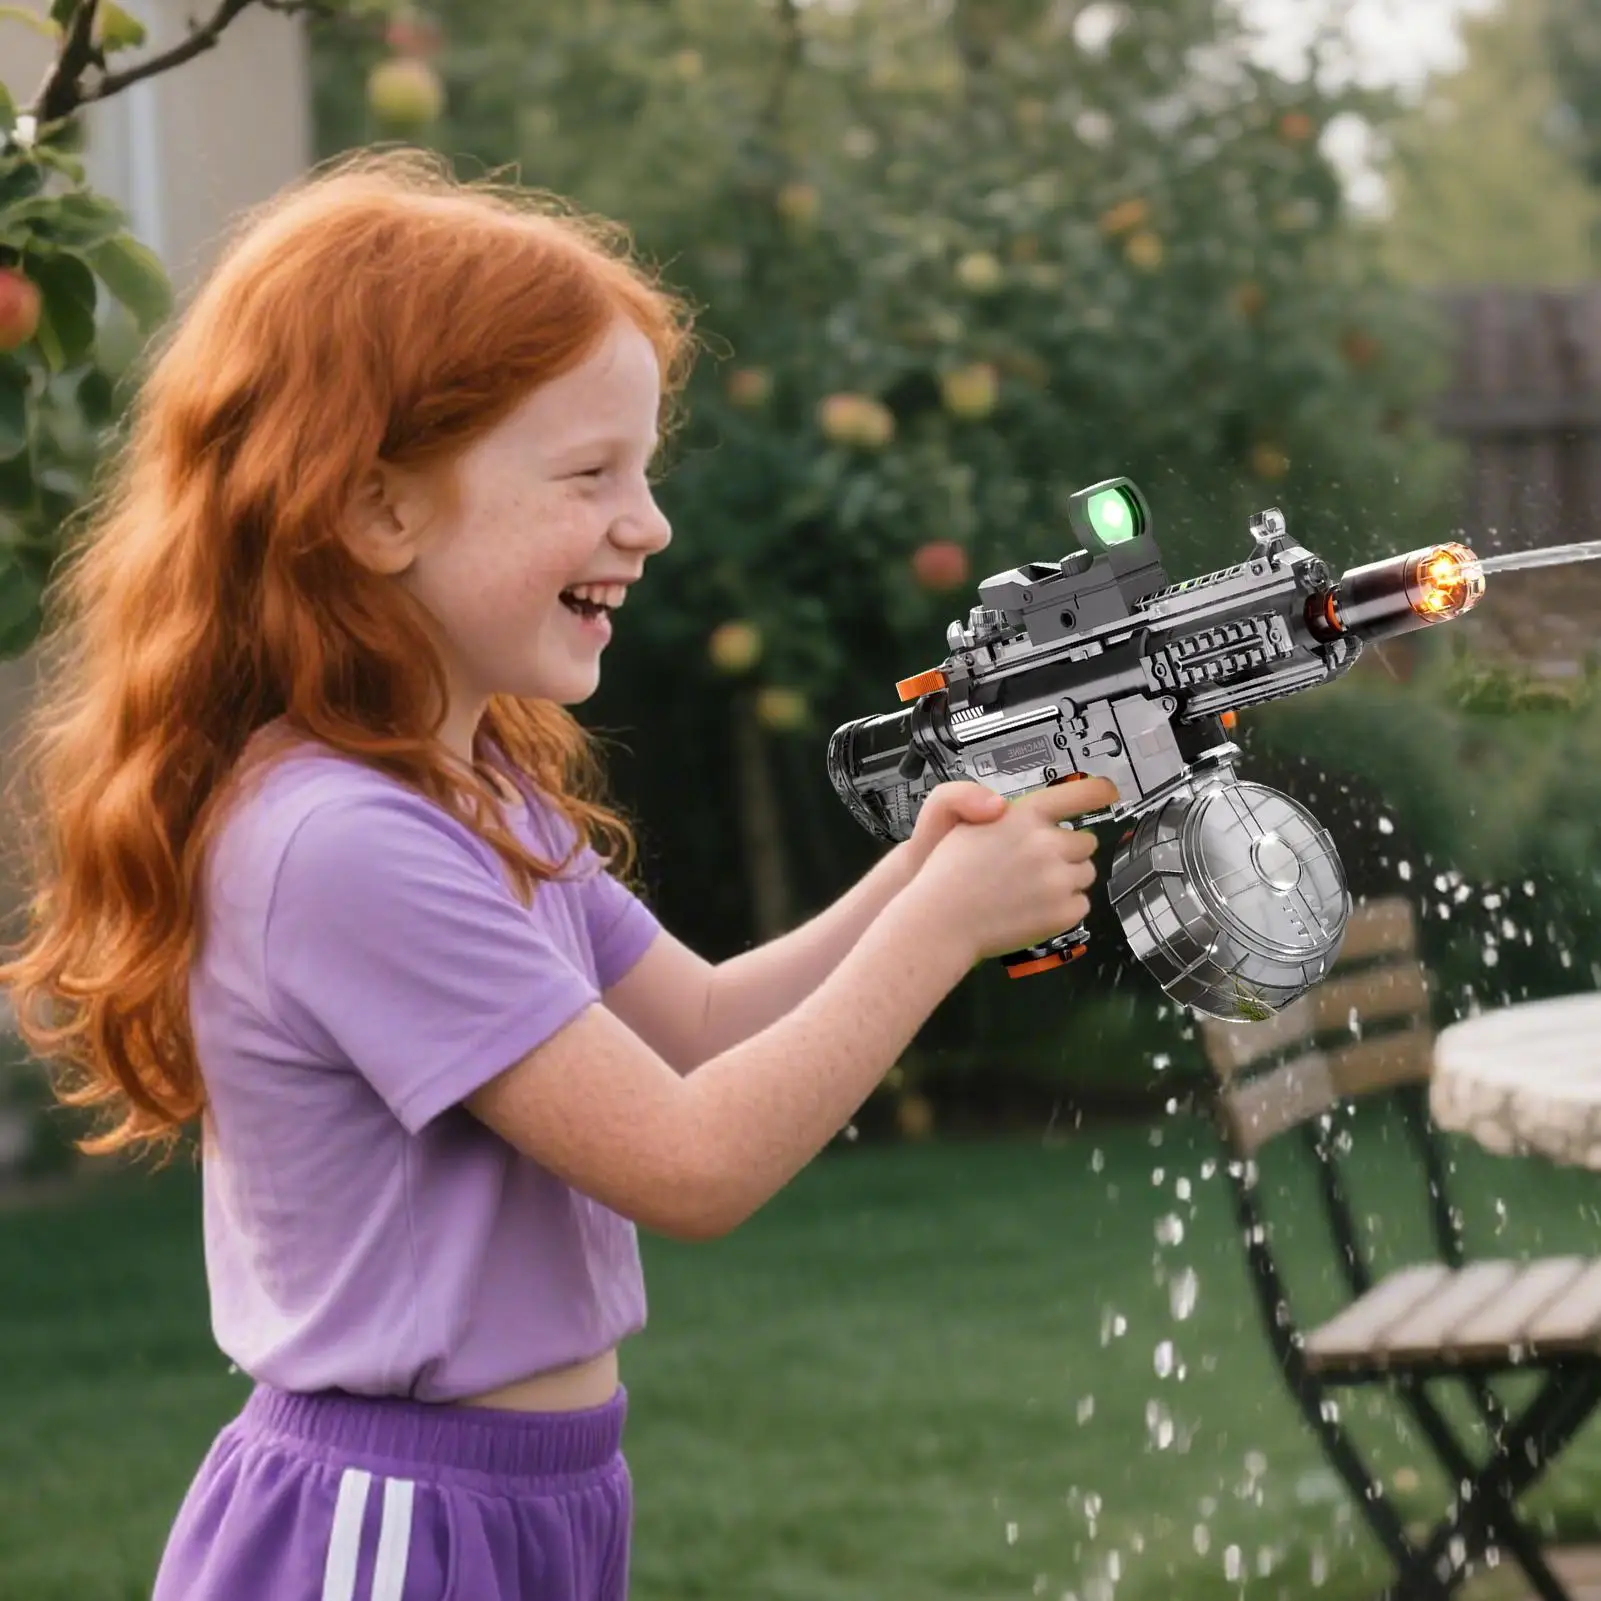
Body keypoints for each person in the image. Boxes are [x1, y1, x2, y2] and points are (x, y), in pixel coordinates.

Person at [0, 147, 1114, 1601]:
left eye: (641, 471)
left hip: (531, 1496)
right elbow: (691, 1165)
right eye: (591, 475)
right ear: (380, 511)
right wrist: (945, 930)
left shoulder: (473, 795)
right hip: (393, 1522)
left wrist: (917, 883)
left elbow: (699, 1026)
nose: (648, 522)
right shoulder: (341, 844)